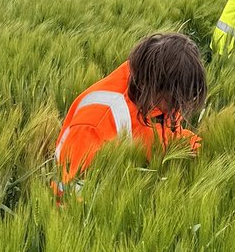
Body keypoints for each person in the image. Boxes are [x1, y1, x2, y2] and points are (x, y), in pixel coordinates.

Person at [54, 32, 206, 194]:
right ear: (152, 86)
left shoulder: (160, 97)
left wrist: (206, 151)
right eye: (174, 99)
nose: (178, 107)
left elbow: (168, 135)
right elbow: (68, 192)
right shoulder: (96, 122)